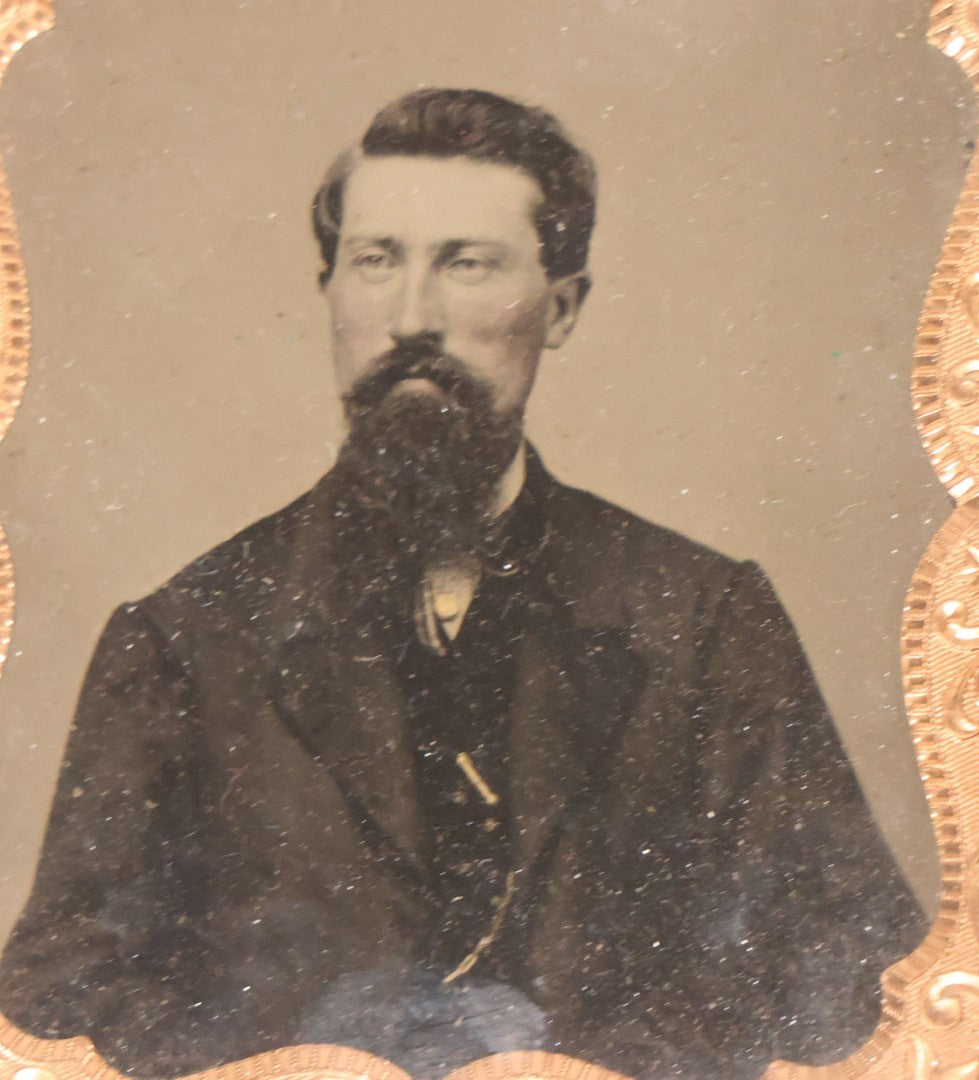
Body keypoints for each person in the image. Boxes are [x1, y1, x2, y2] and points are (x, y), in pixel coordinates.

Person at [0, 88, 926, 1080]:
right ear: (329, 293)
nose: (410, 319)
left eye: (466, 264)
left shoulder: (701, 618)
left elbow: (856, 984)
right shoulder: (185, 637)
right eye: (375, 261)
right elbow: (58, 1011)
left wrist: (578, 1065)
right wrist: (310, 1056)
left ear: (560, 307)